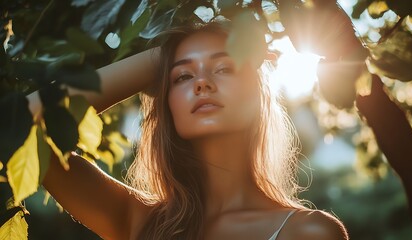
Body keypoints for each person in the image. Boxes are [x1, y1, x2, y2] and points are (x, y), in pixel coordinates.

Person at [28, 22, 349, 239]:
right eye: (183, 77)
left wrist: (178, 61)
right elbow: (24, 122)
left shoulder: (308, 232)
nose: (202, 82)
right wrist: (160, 59)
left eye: (223, 68)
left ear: (255, 93)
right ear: (168, 105)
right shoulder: (140, 221)